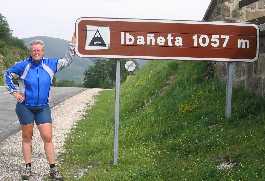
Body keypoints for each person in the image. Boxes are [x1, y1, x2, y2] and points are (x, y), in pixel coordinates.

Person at [3, 35, 76, 180]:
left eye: (39, 50)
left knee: (48, 137)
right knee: (27, 137)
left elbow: (67, 60)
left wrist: (72, 46)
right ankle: (28, 168)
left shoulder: (51, 64)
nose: (36, 52)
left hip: (43, 107)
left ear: (43, 52)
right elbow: (7, 74)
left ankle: (53, 169)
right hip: (25, 107)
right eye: (34, 50)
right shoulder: (23, 65)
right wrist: (14, 92)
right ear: (30, 52)